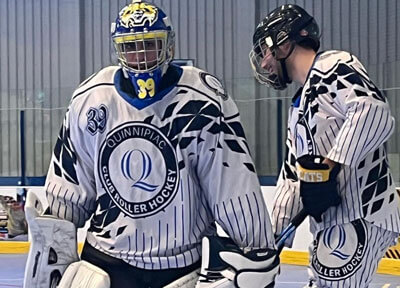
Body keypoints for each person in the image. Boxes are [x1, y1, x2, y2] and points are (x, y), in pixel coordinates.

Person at [23, 1, 279, 287]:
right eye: (130, 47)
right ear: (118, 50)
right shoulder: (91, 98)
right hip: (106, 260)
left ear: (169, 46)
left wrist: (255, 248)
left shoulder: (202, 99)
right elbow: (69, 183)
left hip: (181, 265)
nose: (141, 56)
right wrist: (52, 252)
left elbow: (233, 184)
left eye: (149, 44)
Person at [249, 4, 400, 288]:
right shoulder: (298, 109)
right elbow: (294, 180)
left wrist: (330, 166)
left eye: (265, 52)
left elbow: (374, 111)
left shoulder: (334, 66)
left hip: (360, 214)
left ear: (283, 44)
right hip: (333, 225)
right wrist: (269, 241)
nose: (265, 63)